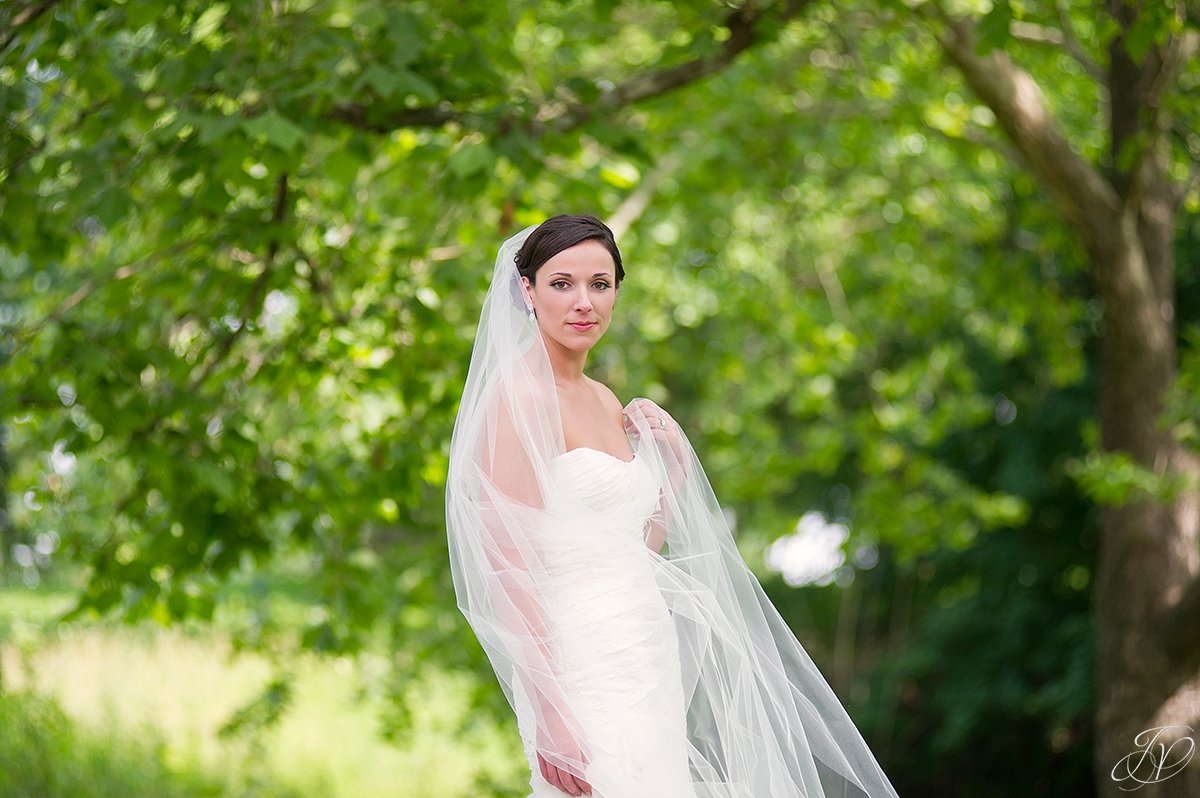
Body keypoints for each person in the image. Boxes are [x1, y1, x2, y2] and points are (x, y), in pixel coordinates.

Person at [445, 215, 901, 798]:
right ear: (527, 291)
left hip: (644, 649)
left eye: (600, 284)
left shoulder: (603, 398)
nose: (583, 302)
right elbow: (507, 567)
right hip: (577, 665)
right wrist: (551, 709)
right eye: (562, 283)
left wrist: (674, 470)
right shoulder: (518, 398)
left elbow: (630, 552)